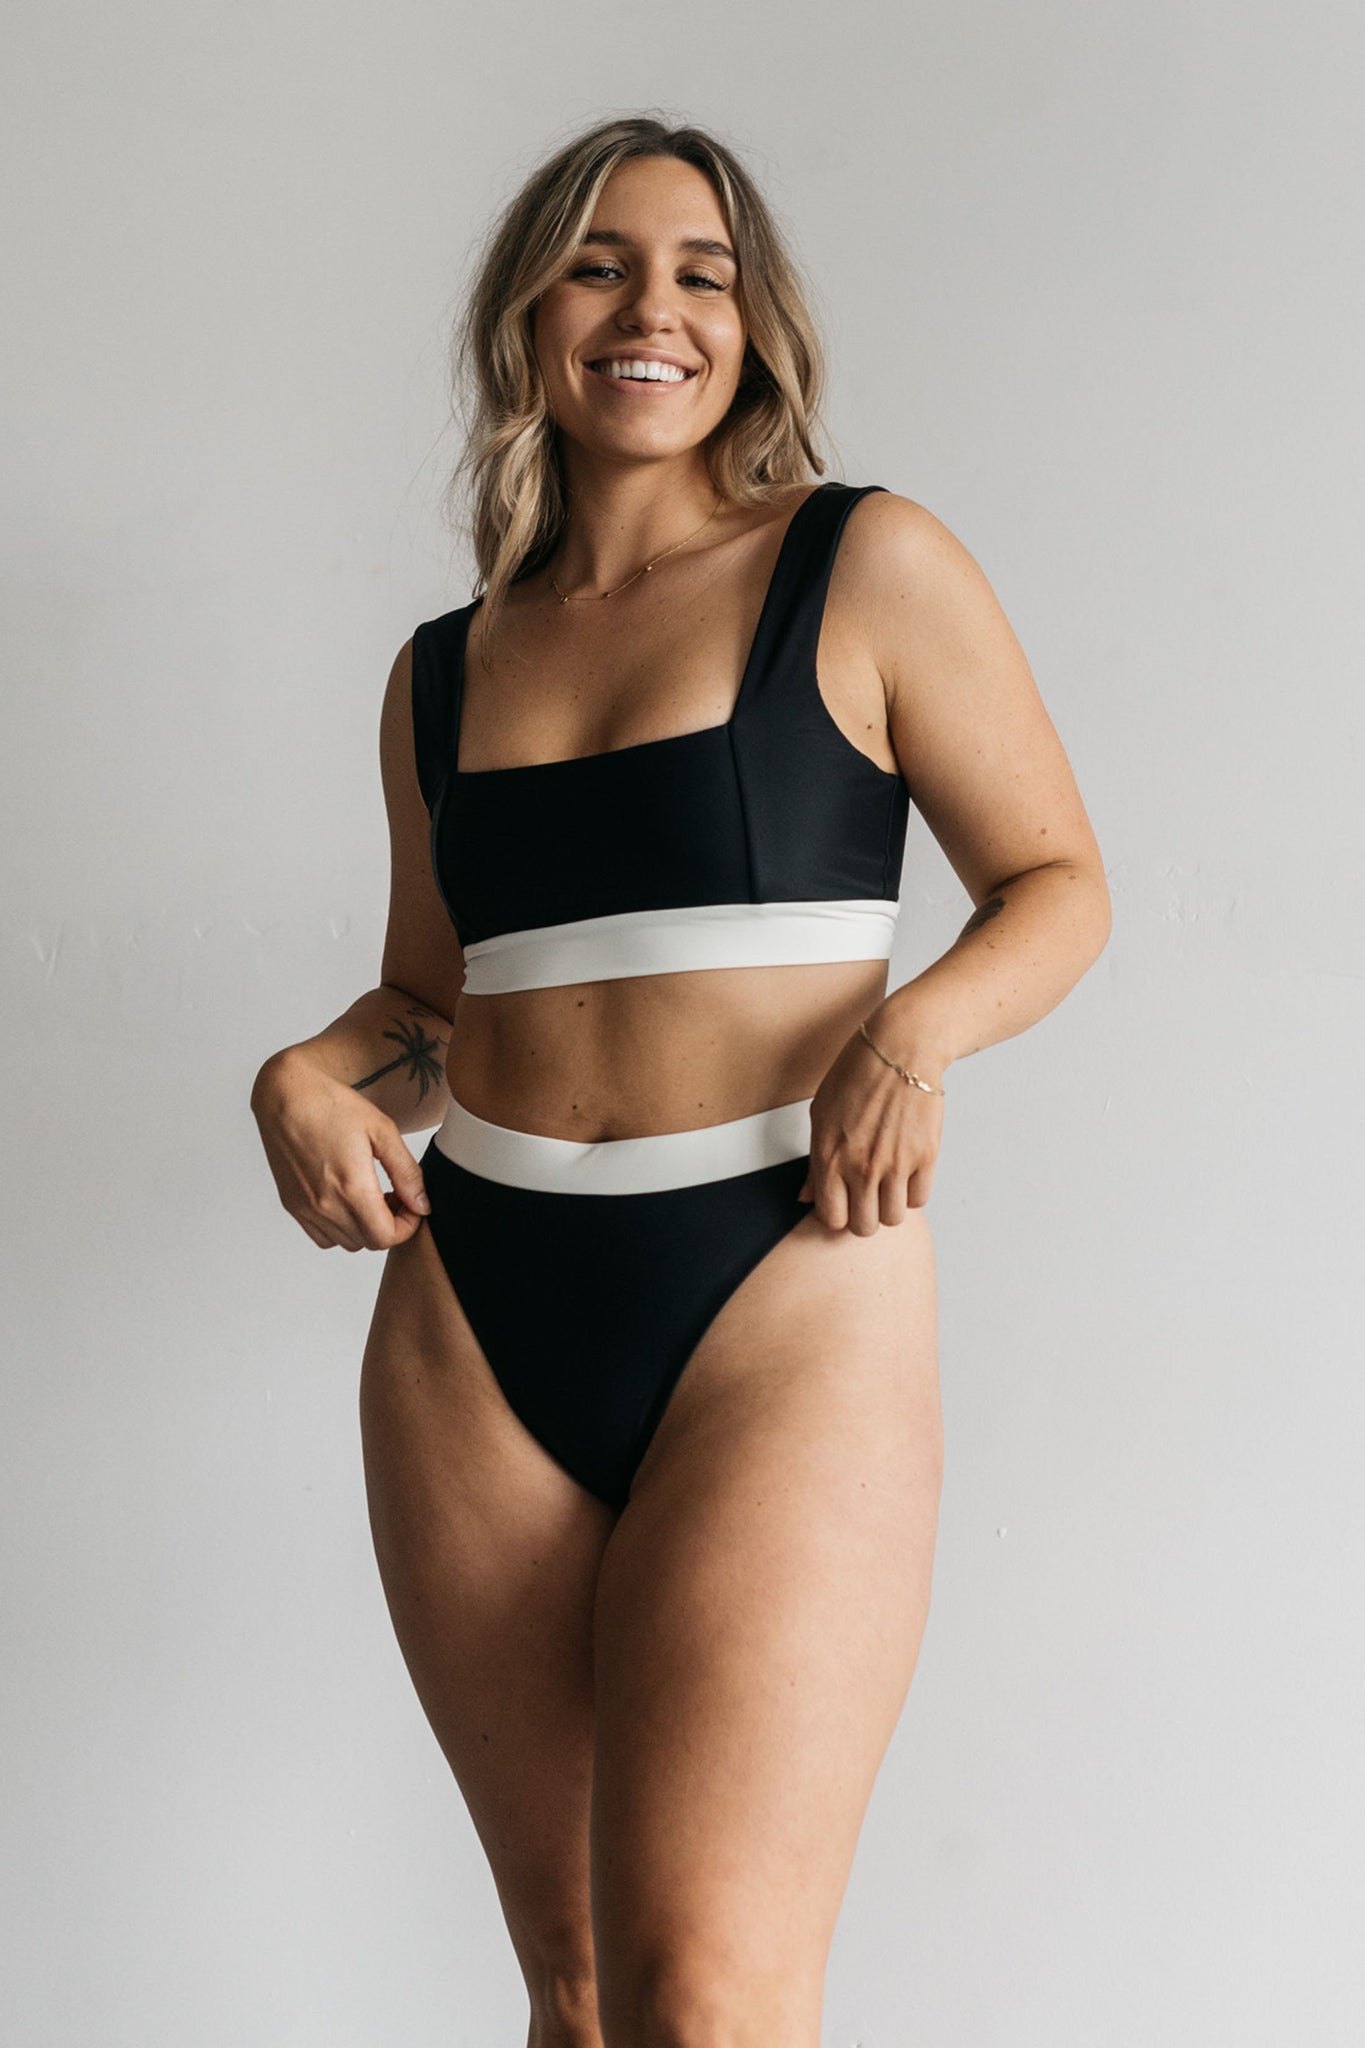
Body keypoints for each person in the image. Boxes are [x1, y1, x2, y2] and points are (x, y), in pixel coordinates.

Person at [251, 114, 1111, 2048]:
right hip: (476, 1317)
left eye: (701, 272)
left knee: (706, 1996)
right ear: (525, 319)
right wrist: (310, 1070)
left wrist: (916, 1026)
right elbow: (436, 998)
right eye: (599, 264)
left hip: (780, 1287)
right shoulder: (444, 673)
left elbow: (1058, 885)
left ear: (753, 324)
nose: (653, 309)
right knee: (571, 1994)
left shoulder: (860, 563)